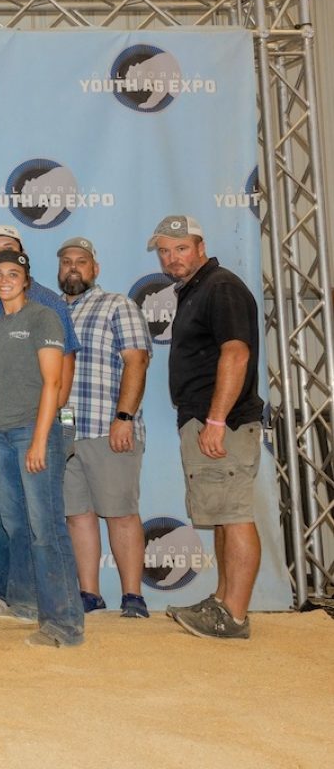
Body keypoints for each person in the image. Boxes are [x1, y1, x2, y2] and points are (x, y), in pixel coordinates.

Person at [0, 224, 80, 619]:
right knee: (13, 523)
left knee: (46, 526)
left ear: (26, 278)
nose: (4, 279)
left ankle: (64, 618)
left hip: (33, 430)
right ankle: (24, 602)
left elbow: (54, 381)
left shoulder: (45, 314)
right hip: (1, 435)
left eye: (13, 273)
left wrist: (43, 438)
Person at [149, 215, 265, 639]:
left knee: (233, 515)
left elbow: (235, 354)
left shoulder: (222, 287)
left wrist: (216, 421)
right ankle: (222, 603)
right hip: (204, 419)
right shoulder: (197, 290)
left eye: (181, 248)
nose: (172, 257)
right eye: (164, 250)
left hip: (224, 423)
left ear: (200, 247)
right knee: (221, 514)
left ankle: (233, 615)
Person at [57, 238, 153, 618]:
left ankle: (133, 596)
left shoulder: (117, 304)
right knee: (77, 514)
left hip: (108, 426)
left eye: (81, 261)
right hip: (65, 431)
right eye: (66, 262)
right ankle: (89, 594)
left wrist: (124, 417)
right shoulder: (51, 311)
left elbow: (137, 360)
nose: (73, 268)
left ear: (95, 269)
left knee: (121, 512)